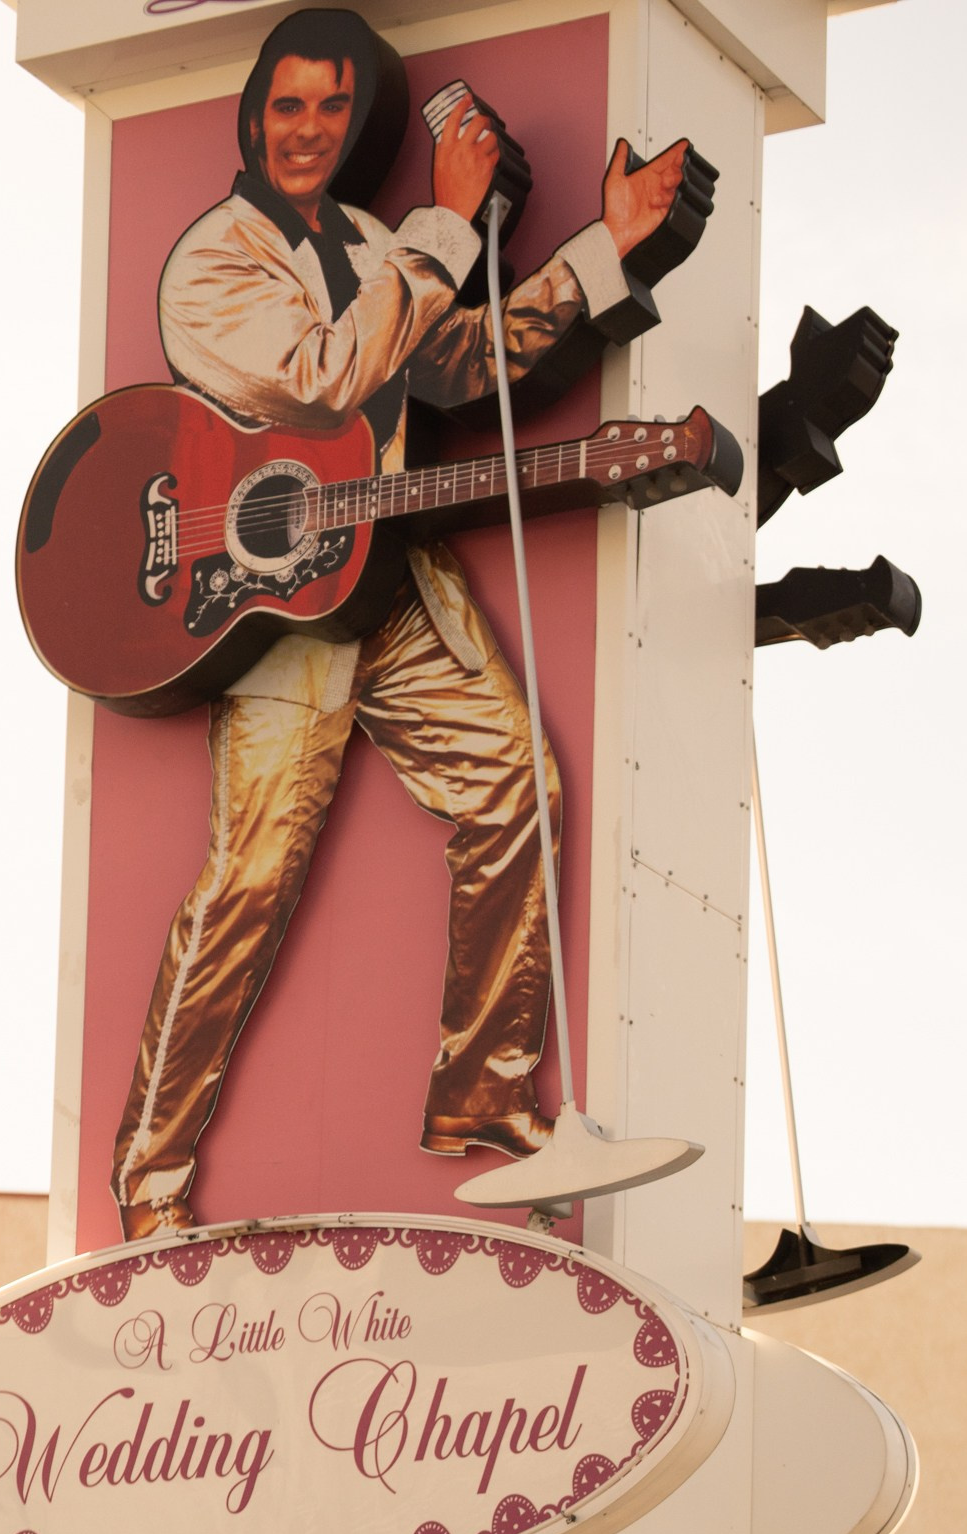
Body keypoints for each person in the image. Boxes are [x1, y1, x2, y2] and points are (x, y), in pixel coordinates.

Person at [111, 5, 705, 1232]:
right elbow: (330, 374)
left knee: (518, 787)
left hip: (384, 575)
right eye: (288, 105)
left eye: (334, 107)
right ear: (251, 114)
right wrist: (441, 224)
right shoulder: (212, 262)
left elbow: (458, 379)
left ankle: (486, 1097)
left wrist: (609, 246)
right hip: (268, 606)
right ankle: (151, 1183)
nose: (310, 131)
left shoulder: (381, 240)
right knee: (248, 889)